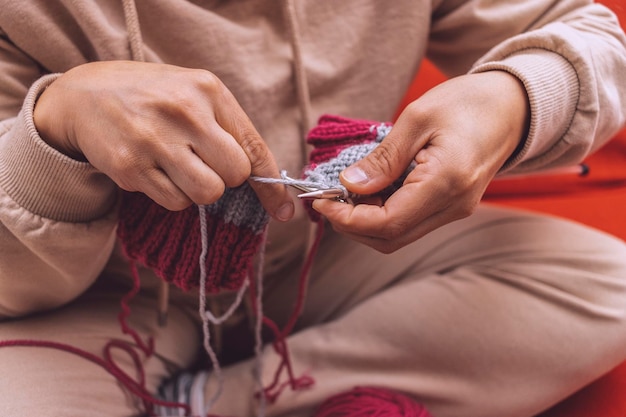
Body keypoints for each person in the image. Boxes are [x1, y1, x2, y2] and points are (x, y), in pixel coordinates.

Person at [1, 0, 625, 416]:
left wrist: (512, 100)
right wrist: (55, 123)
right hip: (102, 298)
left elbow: (588, 33)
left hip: (326, 253)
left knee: (611, 288)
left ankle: (211, 401)